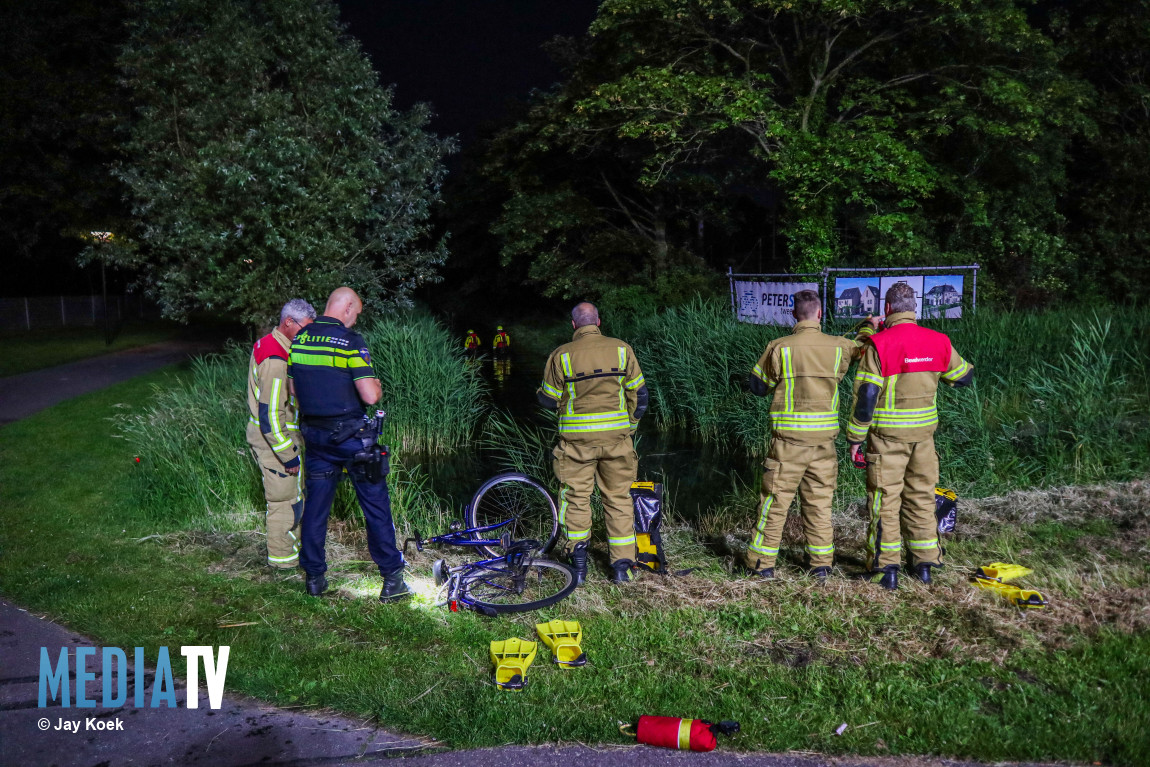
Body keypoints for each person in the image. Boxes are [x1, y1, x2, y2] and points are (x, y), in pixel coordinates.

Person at [846, 282, 974, 590]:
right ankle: (924, 564)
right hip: (924, 438)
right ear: (914, 308)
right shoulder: (939, 341)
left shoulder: (880, 344)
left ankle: (885, 570)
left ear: (888, 309)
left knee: (885, 501)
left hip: (888, 438)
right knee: (921, 496)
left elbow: (866, 397)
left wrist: (854, 439)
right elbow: (964, 377)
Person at [743, 290, 874, 580]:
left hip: (787, 443)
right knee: (819, 504)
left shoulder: (779, 347)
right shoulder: (840, 347)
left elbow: (757, 386)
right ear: (819, 314)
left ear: (794, 314)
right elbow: (863, 347)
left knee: (774, 504)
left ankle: (761, 565)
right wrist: (868, 325)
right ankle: (821, 565)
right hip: (824, 443)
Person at [289, 287, 410, 601]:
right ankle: (392, 580)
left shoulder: (300, 339)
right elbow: (370, 395)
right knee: (375, 506)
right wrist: (378, 386)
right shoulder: (350, 342)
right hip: (351, 439)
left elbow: (293, 388)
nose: (354, 321)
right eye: (355, 314)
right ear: (347, 307)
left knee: (315, 508)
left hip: (315, 438)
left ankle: (314, 578)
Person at [537, 302, 649, 584]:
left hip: (577, 444)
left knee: (576, 499)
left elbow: (549, 400)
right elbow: (641, 396)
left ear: (574, 325)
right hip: (618, 441)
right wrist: (630, 428)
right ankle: (622, 567)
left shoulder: (562, 355)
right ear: (598, 321)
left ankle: (579, 565)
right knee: (619, 499)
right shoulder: (622, 349)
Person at [246, 298, 315, 569]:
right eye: (304, 329)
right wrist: (289, 455)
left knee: (290, 499)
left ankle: (289, 555)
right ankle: (283, 564)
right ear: (289, 322)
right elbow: (271, 416)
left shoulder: (271, 344)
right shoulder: (275, 358)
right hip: (274, 442)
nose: (306, 334)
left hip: (273, 438)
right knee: (283, 502)